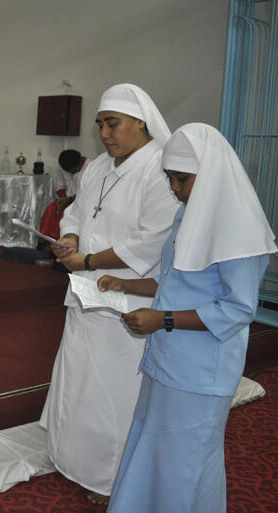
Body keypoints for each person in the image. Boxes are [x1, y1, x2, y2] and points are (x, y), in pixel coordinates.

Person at [99, 123, 276, 513]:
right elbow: (176, 281)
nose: (175, 188)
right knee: (152, 449)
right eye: (169, 178)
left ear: (210, 175)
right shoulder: (188, 216)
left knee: (186, 465)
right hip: (168, 358)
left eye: (181, 178)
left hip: (201, 370)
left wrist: (161, 319)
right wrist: (127, 286)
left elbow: (239, 308)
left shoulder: (240, 231)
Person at [39, 83, 180, 504]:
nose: (105, 133)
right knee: (79, 378)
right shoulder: (98, 166)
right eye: (101, 124)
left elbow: (149, 242)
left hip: (128, 300)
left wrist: (86, 261)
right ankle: (70, 457)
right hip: (85, 292)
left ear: (141, 122)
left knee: (115, 390)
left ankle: (112, 476)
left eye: (112, 123)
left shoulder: (160, 170)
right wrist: (69, 238)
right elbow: (76, 211)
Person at [38, 149, 87, 243]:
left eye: (73, 171)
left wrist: (69, 201)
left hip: (81, 201)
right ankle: (45, 241)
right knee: (52, 208)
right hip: (67, 199)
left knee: (66, 212)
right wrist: (63, 199)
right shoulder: (65, 166)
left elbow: (88, 191)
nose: (71, 173)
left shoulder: (91, 167)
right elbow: (60, 187)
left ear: (80, 163)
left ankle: (61, 241)